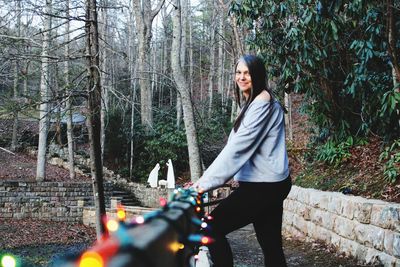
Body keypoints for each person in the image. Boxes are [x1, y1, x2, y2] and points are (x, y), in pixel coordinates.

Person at [192, 55, 292, 267]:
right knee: (271, 245)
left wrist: (203, 184)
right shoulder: (256, 103)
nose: (242, 77)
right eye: (238, 72)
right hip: (271, 184)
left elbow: (238, 149)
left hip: (263, 187)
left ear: (257, 75)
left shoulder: (262, 104)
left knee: (211, 227)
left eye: (247, 73)